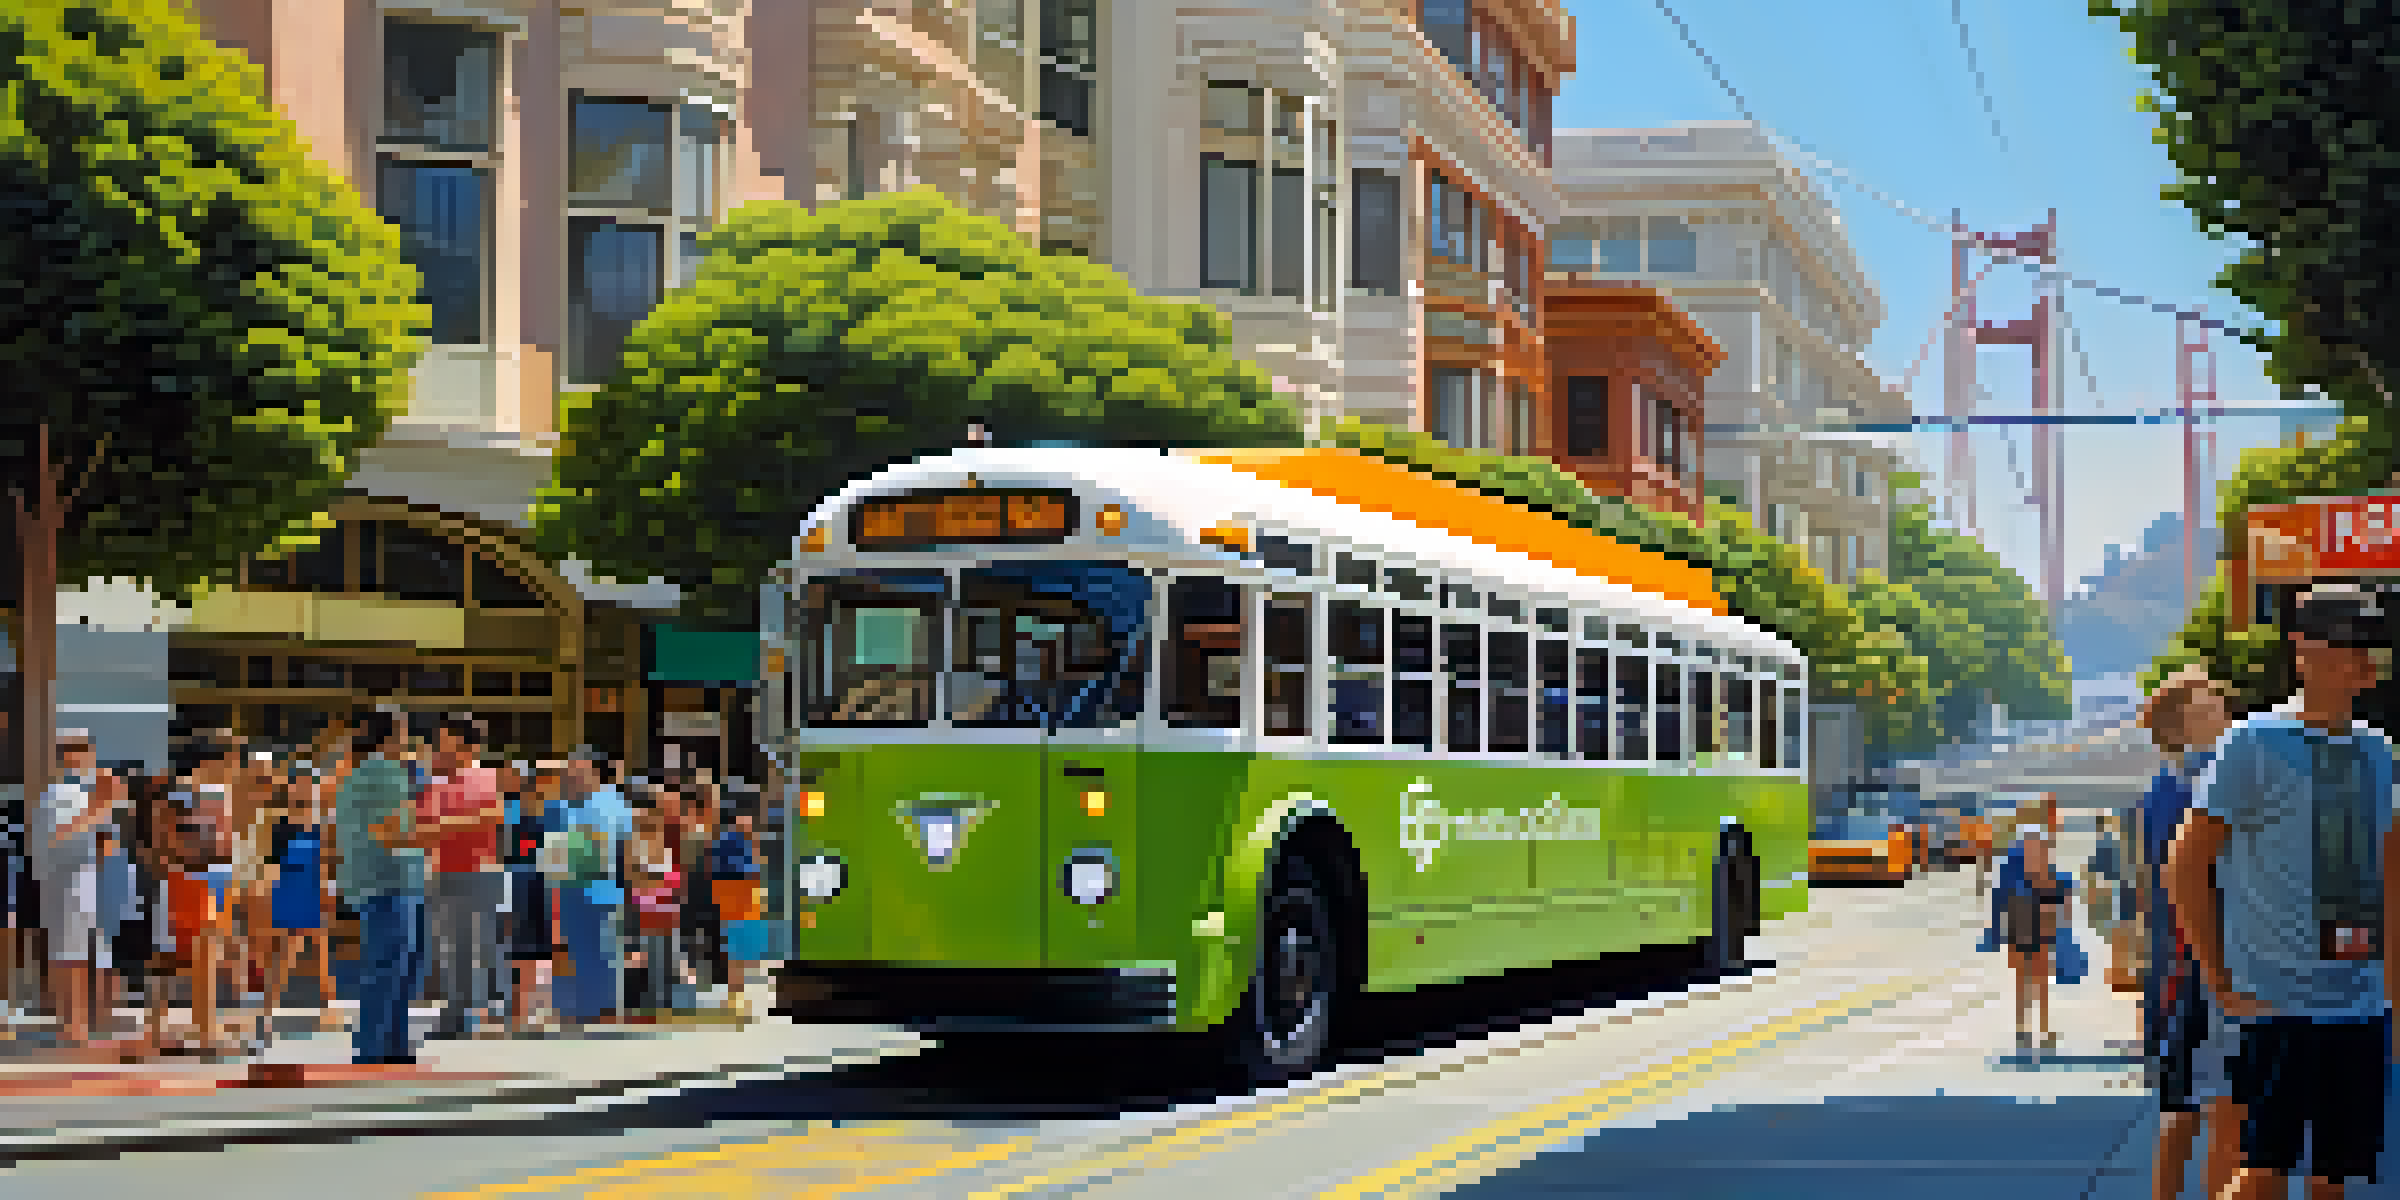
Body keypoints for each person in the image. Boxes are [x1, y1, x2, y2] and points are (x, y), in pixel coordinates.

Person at [2170, 588, 2396, 1200]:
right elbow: (2187, 863)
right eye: (2349, 645)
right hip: (2274, 1005)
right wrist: (2217, 976)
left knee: (2334, 1180)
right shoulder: (2252, 744)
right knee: (2261, 1178)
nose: (2363, 660)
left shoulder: (2377, 752)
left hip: (2358, 1007)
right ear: (2304, 650)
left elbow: (2390, 879)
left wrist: (2391, 1001)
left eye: (2369, 645)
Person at [2134, 666, 2242, 1200]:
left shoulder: (2170, 787)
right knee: (2223, 1111)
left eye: (2220, 706)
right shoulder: (2193, 792)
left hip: (2182, 973)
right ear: (2179, 730)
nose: (2222, 716)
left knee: (2184, 1113)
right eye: (2206, 711)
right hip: (2201, 972)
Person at [335, 711, 431, 1066]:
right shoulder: (387, 774)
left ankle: (386, 1044)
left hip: (373, 880)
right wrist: (460, 826)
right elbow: (394, 834)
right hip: (394, 879)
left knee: (394, 964)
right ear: (391, 737)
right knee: (394, 965)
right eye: (405, 733)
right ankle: (378, 1048)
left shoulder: (354, 776)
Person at [417, 717, 506, 1039]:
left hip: (479, 873)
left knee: (478, 948)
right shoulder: (434, 782)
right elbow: (421, 829)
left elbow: (492, 816)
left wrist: (444, 825)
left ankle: (476, 1018)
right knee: (449, 950)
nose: (437, 748)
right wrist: (458, 824)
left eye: (444, 741)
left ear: (465, 745)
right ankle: (455, 1016)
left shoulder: (485, 777)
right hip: (442, 873)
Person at [37, 730, 117, 1048]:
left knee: (82, 956)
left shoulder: (83, 793)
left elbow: (102, 843)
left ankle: (79, 1023)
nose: (84, 757)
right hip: (64, 882)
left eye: (86, 750)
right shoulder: (58, 794)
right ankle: (72, 1025)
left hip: (85, 883)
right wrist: (98, 809)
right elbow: (56, 836)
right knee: (67, 956)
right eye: (77, 750)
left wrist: (102, 815)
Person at [1980, 821, 2083, 1053]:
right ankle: (2036, 1031)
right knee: (2035, 983)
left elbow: (2000, 903)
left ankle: (2026, 1031)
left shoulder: (2010, 868)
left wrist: (1997, 934)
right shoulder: (2040, 867)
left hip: (2023, 930)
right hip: (2033, 930)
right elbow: (2059, 897)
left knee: (2027, 983)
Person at [552, 750, 630, 1027]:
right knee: (581, 948)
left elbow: (625, 847)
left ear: (594, 770)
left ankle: (607, 1009)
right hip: (572, 885)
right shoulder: (570, 805)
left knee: (604, 947)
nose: (571, 775)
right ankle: (587, 1007)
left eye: (576, 769)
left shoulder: (614, 803)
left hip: (602, 885)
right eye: (570, 770)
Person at [265, 752, 339, 1034]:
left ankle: (328, 1010)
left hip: (314, 889)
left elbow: (330, 860)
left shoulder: (323, 823)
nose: (305, 787)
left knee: (321, 954)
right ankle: (269, 1011)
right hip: (289, 890)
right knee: (284, 953)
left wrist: (328, 889)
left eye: (310, 783)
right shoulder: (280, 824)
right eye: (300, 782)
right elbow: (272, 865)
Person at [498, 761, 559, 1034]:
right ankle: (519, 1011)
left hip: (542, 884)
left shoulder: (553, 813)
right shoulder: (507, 811)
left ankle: (531, 1009)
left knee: (539, 949)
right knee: (518, 948)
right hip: (516, 883)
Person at [709, 802, 767, 1020]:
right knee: (735, 950)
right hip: (733, 899)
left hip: (742, 899)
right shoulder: (728, 841)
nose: (749, 823)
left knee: (740, 951)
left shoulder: (747, 842)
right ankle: (735, 999)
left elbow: (753, 874)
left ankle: (736, 998)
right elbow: (727, 872)